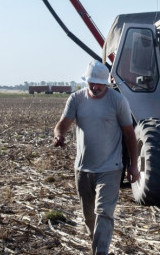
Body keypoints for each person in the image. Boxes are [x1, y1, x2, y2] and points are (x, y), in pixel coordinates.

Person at [52, 60, 139, 255]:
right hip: (83, 168)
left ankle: (100, 252)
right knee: (89, 217)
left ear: (106, 82)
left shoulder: (118, 101)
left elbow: (129, 134)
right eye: (92, 83)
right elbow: (63, 124)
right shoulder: (76, 99)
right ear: (87, 81)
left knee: (104, 213)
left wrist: (133, 166)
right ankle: (97, 246)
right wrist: (59, 135)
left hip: (111, 167)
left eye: (100, 83)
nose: (96, 87)